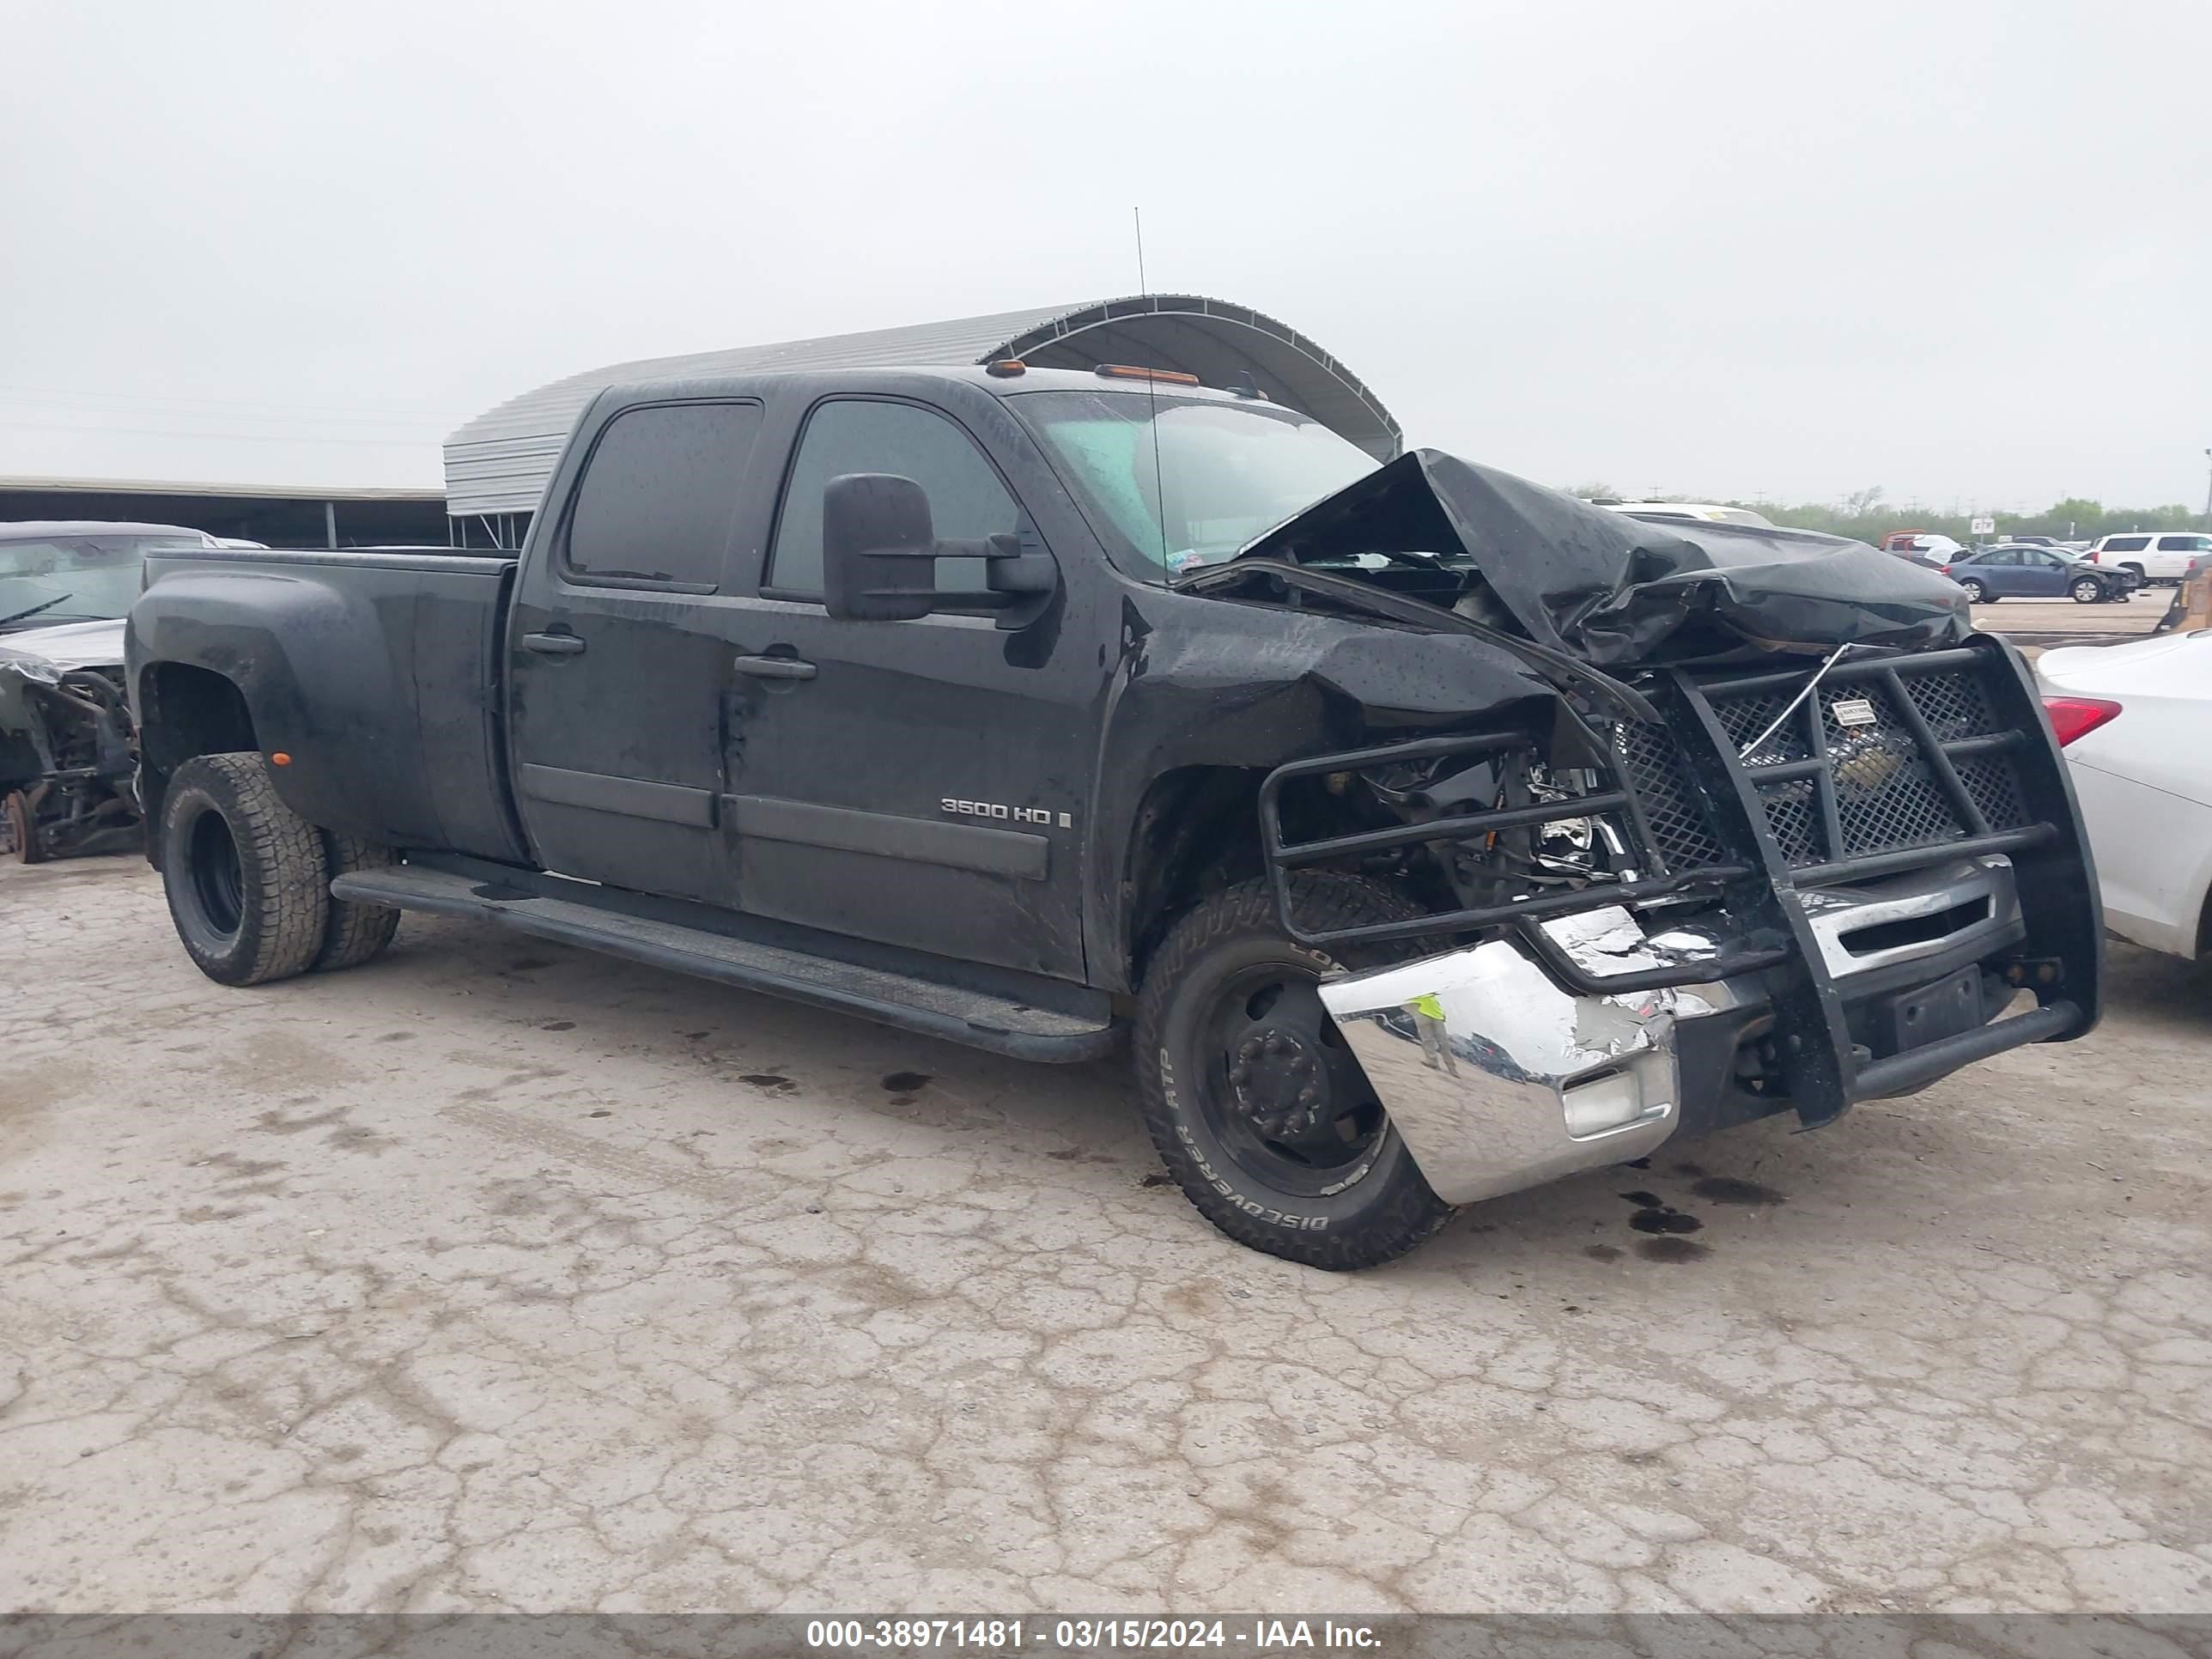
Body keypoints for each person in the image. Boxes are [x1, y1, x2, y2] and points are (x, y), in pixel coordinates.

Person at [1407, 992, 1457, 1075]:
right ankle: (1432, 1061)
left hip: (1436, 1016)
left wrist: (1442, 1014)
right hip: (1422, 1013)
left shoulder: (1429, 989)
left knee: (1443, 1042)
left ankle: (1451, 1067)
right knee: (1427, 1039)